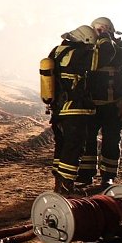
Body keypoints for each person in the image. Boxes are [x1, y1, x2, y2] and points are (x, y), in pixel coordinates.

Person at [46, 25, 99, 196]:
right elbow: (102, 59)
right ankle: (67, 186)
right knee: (74, 147)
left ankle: (58, 183)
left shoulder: (56, 51)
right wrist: (105, 38)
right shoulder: (78, 54)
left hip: (58, 109)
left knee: (61, 146)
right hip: (74, 109)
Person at [79, 17, 122, 187]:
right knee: (87, 139)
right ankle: (86, 174)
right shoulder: (87, 47)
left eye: (105, 30)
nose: (101, 33)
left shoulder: (121, 47)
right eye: (99, 30)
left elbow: (115, 58)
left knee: (111, 140)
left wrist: (105, 40)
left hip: (113, 103)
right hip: (90, 104)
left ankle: (108, 176)